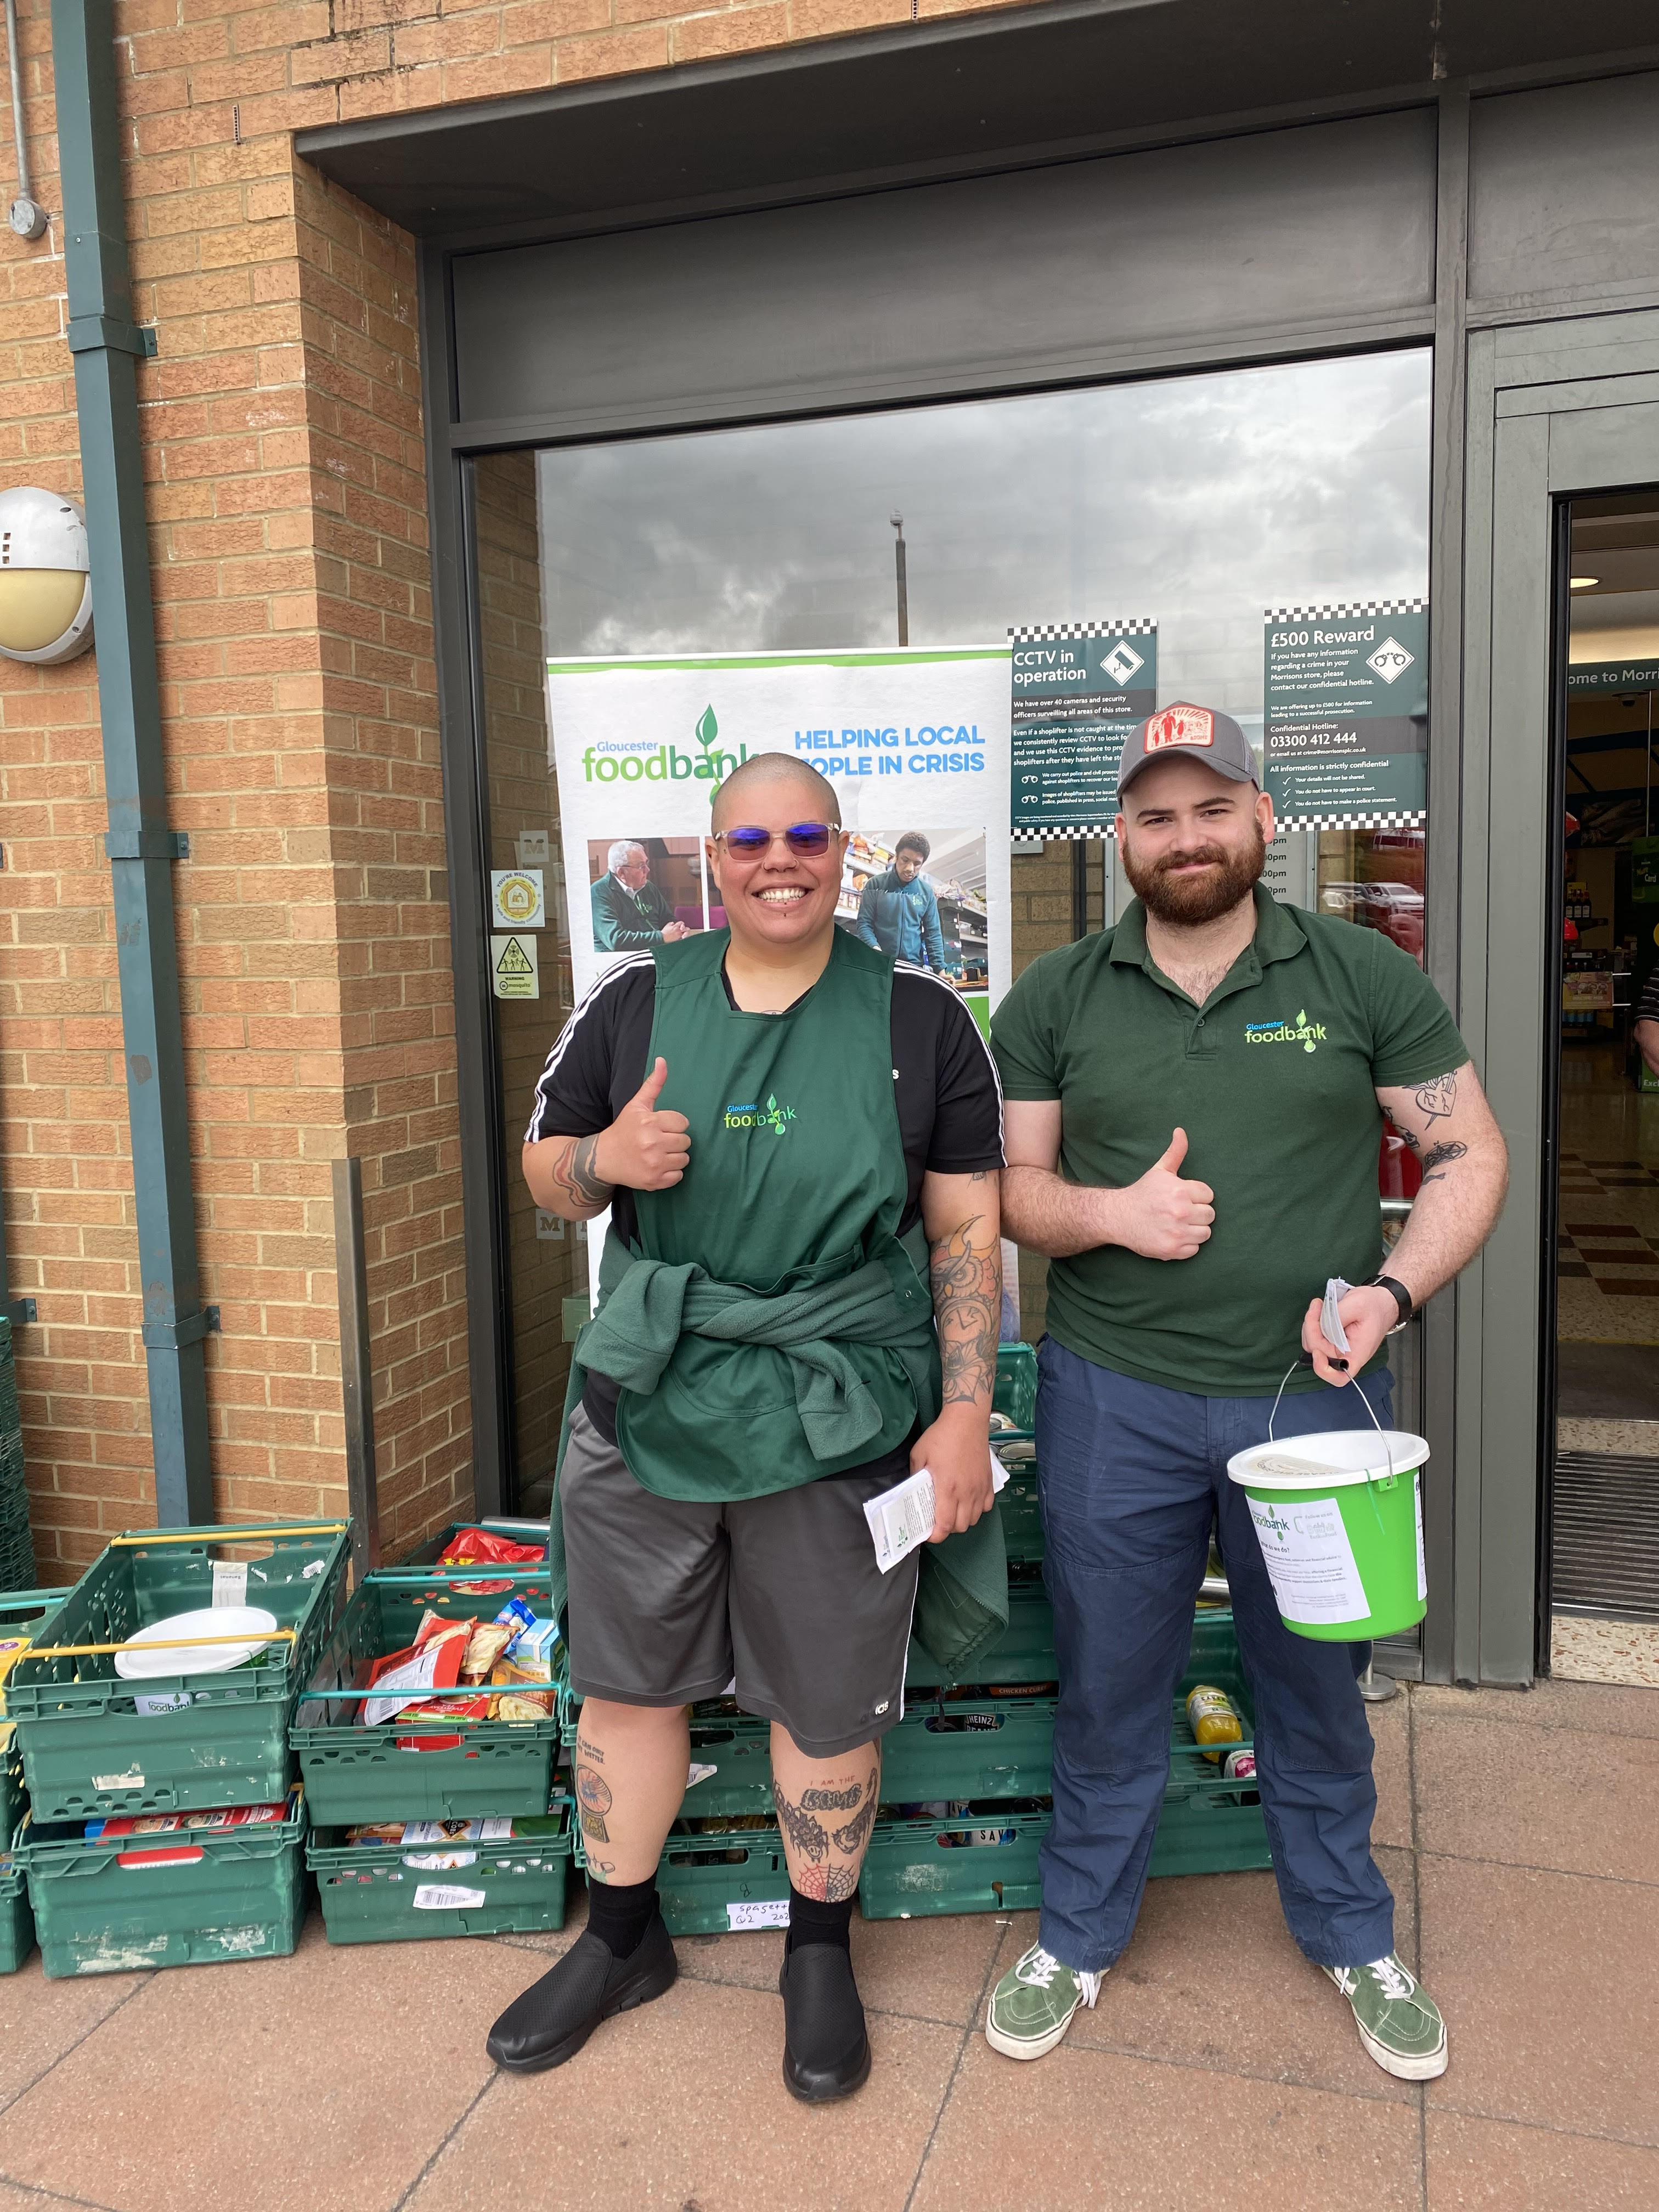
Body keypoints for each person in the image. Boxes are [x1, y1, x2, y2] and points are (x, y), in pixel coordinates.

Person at [983, 701, 1508, 2082]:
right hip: (1115, 1399)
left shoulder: (1357, 971)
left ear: (1265, 818)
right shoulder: (1055, 994)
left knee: (1316, 1683)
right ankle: (1078, 1937)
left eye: (1213, 807)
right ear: (1122, 840)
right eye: (1156, 815)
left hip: (1314, 1402)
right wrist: (1110, 1216)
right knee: (1107, 1683)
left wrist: (1389, 1293)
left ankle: (1351, 1931)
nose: (1187, 837)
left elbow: (1472, 1155)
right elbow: (1010, 1193)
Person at [491, 753, 1006, 2100]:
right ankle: (620, 1938)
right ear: (710, 857)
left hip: (838, 1406)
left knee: (826, 1697)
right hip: (652, 1396)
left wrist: (966, 1413)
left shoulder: (920, 1019)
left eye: (807, 835)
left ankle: (820, 1950)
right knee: (628, 1682)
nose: (781, 858)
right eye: (751, 837)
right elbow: (541, 1163)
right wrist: (606, 1162)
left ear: (842, 850)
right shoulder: (628, 1001)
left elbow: (963, 1224)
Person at [855, 832, 948, 969]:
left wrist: (940, 969)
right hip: (879, 963)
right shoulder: (875, 885)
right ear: (896, 857)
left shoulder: (926, 893)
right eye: (905, 860)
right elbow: (864, 924)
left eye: (917, 864)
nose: (910, 869)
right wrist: (875, 951)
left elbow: (933, 933)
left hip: (913, 966)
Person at [591, 839, 690, 951]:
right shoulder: (598, 893)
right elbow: (617, 941)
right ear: (621, 873)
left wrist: (678, 928)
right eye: (641, 866)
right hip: (619, 962)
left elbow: (667, 919)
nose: (647, 870)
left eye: (646, 863)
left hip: (652, 955)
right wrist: (662, 937)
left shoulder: (649, 887)